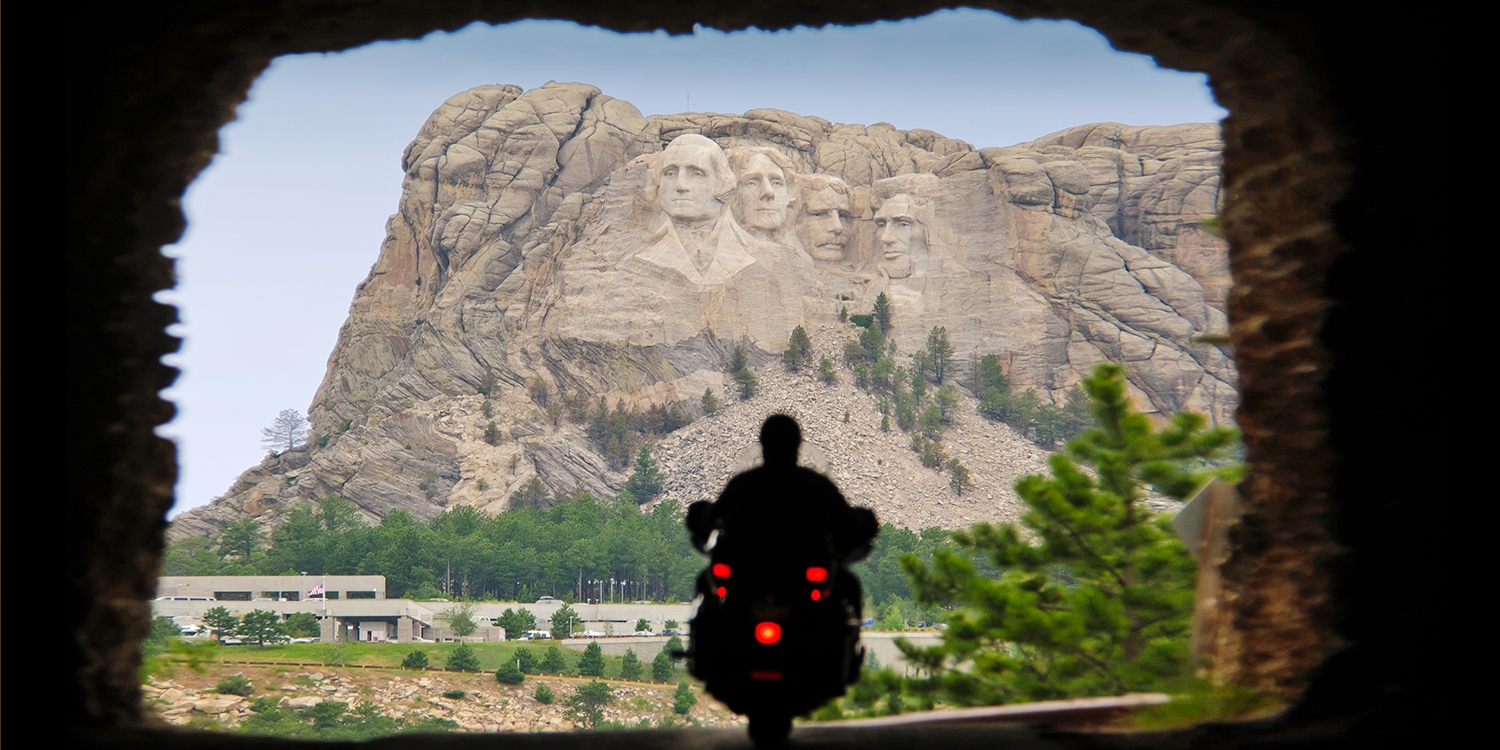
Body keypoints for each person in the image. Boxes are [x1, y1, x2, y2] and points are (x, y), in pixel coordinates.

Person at [688, 414, 876, 569]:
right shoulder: (816, 485)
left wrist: (702, 518)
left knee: (707, 589)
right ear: (796, 445)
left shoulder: (743, 484)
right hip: (803, 572)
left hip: (750, 574)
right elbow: (847, 520)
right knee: (848, 588)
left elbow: (713, 516)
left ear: (763, 444)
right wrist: (862, 522)